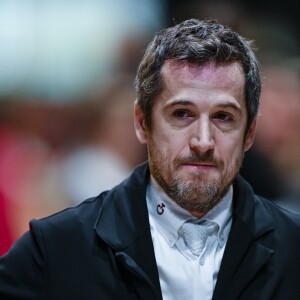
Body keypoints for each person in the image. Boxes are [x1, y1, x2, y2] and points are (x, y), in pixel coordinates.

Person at [0, 19, 300, 300]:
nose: (203, 142)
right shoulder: (58, 248)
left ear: (249, 133)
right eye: (182, 114)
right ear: (142, 123)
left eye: (224, 117)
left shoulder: (294, 249)